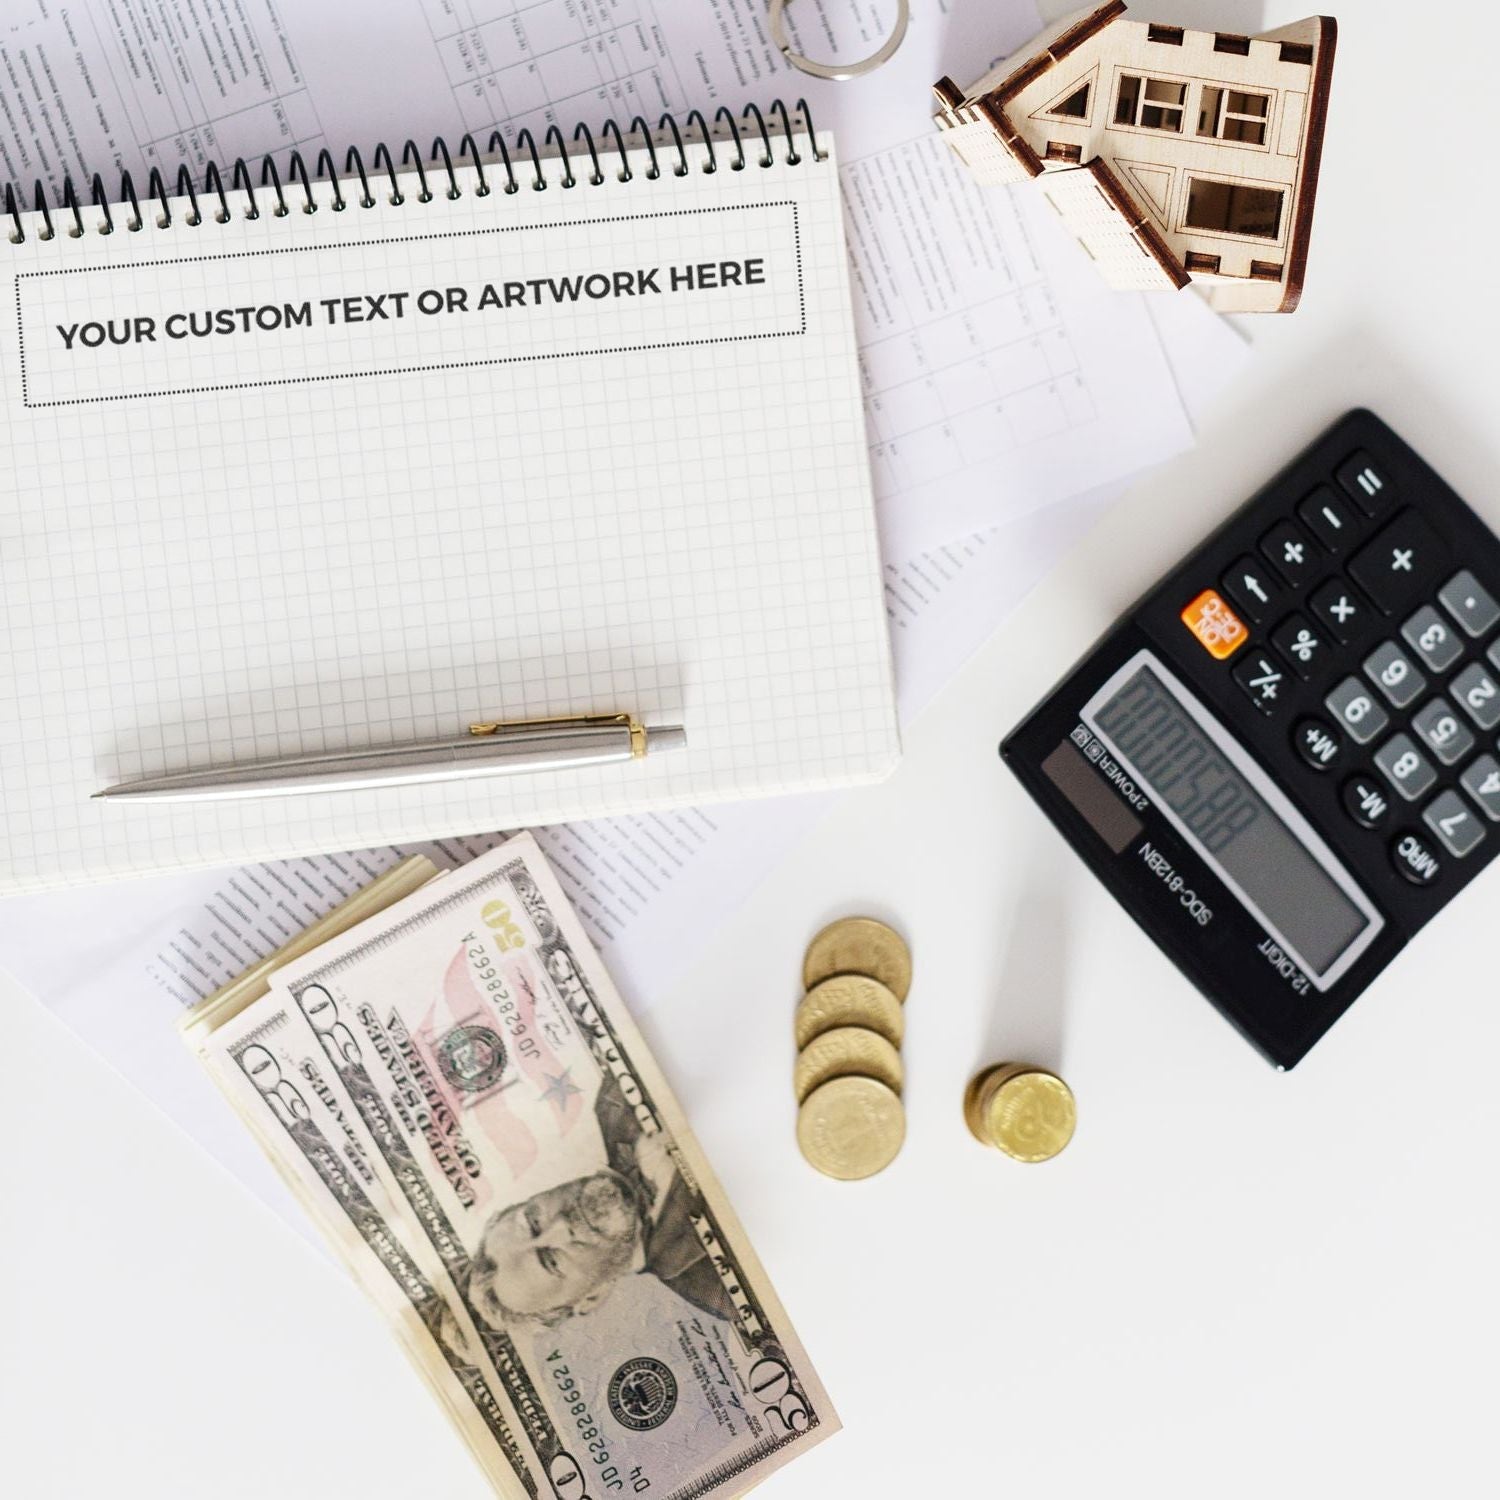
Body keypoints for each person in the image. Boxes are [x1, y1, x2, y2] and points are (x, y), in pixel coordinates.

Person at [468, 1074, 740, 1330]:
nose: (560, 1225)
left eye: (534, 1221)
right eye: (551, 1260)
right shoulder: (722, 1289)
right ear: (594, 1297)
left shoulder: (613, 1099)